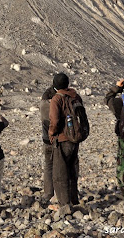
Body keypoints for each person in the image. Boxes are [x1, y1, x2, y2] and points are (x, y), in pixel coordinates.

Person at [48, 73, 82, 208]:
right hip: (75, 137)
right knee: (72, 170)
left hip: (62, 139)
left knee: (60, 173)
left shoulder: (57, 99)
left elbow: (55, 121)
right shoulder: (75, 96)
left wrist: (51, 133)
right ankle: (74, 199)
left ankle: (65, 205)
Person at [40, 81, 57, 203]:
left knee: (48, 166)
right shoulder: (57, 107)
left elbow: (45, 96)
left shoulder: (43, 106)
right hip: (58, 140)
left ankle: (48, 193)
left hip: (46, 140)